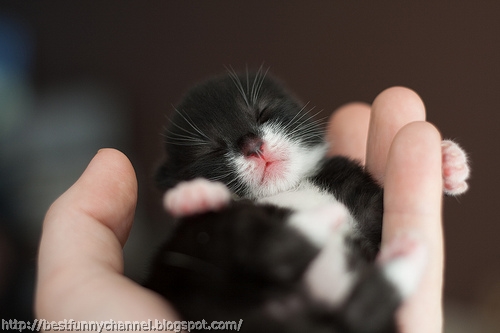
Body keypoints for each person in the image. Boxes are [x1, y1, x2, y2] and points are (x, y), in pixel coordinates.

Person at [35, 87, 444, 333]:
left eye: (264, 115)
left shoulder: (338, 175)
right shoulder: (214, 229)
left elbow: (387, 216)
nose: (253, 145)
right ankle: (368, 285)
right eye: (212, 152)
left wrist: (428, 165)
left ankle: (368, 288)